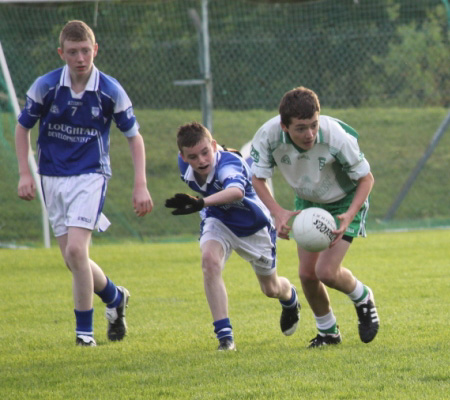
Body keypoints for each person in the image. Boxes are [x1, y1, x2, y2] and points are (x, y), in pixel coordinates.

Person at [15, 20, 153, 347]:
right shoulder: (46, 86)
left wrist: (140, 184)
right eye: (73, 51)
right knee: (72, 260)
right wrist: (25, 172)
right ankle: (115, 297)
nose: (80, 57)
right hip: (51, 176)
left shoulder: (110, 90)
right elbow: (23, 129)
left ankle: (84, 335)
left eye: (86, 50)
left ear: (95, 50)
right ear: (62, 53)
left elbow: (134, 138)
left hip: (91, 175)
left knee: (77, 250)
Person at [250, 86, 379, 348]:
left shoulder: (335, 137)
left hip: (345, 201)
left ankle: (362, 297)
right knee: (308, 275)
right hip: (308, 201)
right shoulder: (268, 136)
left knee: (326, 272)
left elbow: (366, 179)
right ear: (284, 127)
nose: (309, 134)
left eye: (313, 125)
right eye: (300, 128)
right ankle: (328, 333)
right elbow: (257, 178)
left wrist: (349, 215)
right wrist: (278, 212)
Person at [165, 122, 300, 351]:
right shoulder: (184, 165)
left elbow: (236, 192)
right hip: (219, 220)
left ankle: (290, 297)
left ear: (214, 146)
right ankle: (225, 337)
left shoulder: (228, 164)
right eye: (193, 156)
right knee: (209, 261)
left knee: (271, 289)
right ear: (183, 156)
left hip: (253, 226)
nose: (201, 161)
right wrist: (205, 206)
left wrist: (200, 202)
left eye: (205, 152)